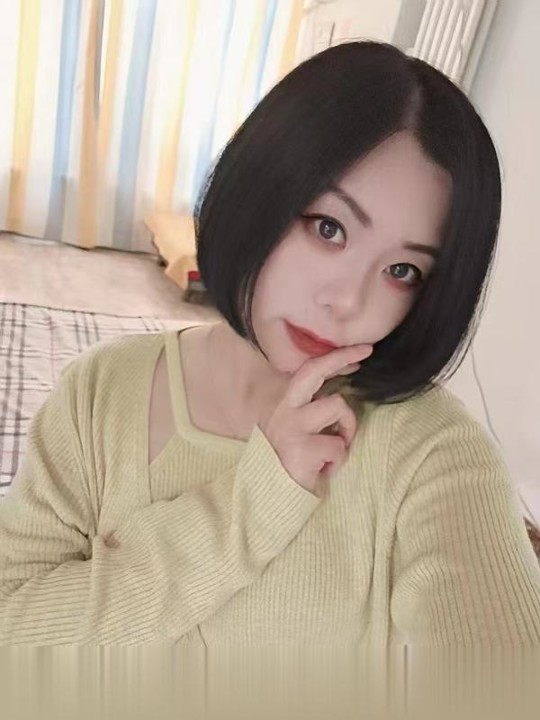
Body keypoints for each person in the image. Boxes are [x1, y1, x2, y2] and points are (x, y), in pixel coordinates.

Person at [0, 41, 539, 651]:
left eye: (402, 271)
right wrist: (252, 506)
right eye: (329, 229)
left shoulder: (432, 451)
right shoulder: (98, 394)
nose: (348, 301)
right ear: (261, 190)